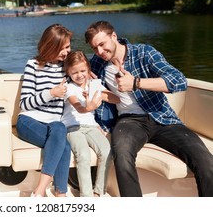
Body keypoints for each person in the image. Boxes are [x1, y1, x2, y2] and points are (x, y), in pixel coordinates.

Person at [84, 20, 213, 197]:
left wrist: (136, 83)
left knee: (205, 161)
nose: (99, 52)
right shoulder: (98, 64)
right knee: (122, 155)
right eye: (94, 48)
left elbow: (179, 81)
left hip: (163, 118)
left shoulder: (144, 52)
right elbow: (71, 68)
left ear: (114, 36)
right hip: (129, 122)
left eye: (102, 44)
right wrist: (84, 77)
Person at [16, 23, 72, 197]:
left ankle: (46, 192)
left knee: (60, 131)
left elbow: (83, 69)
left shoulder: (67, 68)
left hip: (54, 125)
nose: (67, 52)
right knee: (63, 144)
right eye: (62, 49)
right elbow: (24, 104)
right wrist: (51, 93)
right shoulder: (33, 65)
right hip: (28, 121)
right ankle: (57, 193)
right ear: (50, 47)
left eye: (68, 47)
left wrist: (86, 74)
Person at [62, 50, 120, 197]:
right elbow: (77, 106)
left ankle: (99, 192)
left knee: (107, 151)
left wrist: (99, 94)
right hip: (73, 127)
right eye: (74, 72)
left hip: (92, 127)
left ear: (88, 69)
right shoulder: (69, 88)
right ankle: (86, 196)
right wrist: (87, 107)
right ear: (68, 72)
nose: (79, 75)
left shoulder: (93, 85)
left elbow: (116, 99)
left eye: (82, 71)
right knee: (83, 155)